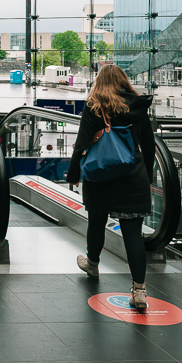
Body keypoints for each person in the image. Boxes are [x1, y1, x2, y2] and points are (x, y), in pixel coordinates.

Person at [66, 64, 154, 311]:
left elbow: (81, 144)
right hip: (133, 176)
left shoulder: (95, 106)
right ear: (124, 81)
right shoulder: (138, 106)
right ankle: (139, 291)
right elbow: (148, 145)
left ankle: (92, 264)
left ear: (99, 82)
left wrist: (73, 174)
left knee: (96, 221)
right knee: (132, 234)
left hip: (100, 175)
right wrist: (146, 175)